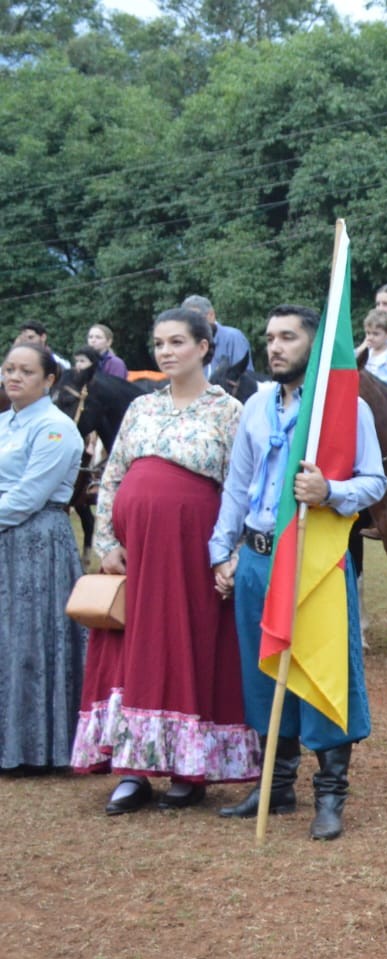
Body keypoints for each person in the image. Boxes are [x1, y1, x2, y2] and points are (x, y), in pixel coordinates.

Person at [208, 304, 387, 841]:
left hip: (314, 561)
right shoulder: (257, 406)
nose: (276, 346)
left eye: (288, 337)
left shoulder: (344, 409)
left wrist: (330, 492)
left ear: (314, 345)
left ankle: (330, 796)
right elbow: (237, 486)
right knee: (265, 674)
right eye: (270, 337)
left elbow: (375, 482)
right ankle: (276, 785)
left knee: (324, 673)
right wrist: (223, 551)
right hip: (257, 560)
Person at [70, 308, 255, 812]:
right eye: (159, 344)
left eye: (177, 342)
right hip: (135, 551)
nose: (166, 352)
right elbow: (113, 475)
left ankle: (187, 767)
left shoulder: (229, 410)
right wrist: (106, 539)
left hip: (192, 550)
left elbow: (242, 488)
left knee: (184, 645)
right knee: (132, 648)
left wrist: (228, 551)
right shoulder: (141, 408)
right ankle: (132, 770)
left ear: (204, 347)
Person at [0, 342, 86, 771]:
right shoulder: (4, 424)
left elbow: (29, 496)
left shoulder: (56, 428)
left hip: (36, 543)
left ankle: (36, 746)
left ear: (49, 380)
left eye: (26, 371)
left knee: (31, 639)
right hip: (5, 537)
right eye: (9, 369)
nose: (14, 377)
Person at [182, 295, 252, 387]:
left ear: (211, 315)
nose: (191, 325)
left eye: (195, 319)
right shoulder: (190, 343)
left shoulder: (233, 337)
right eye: (187, 321)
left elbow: (246, 377)